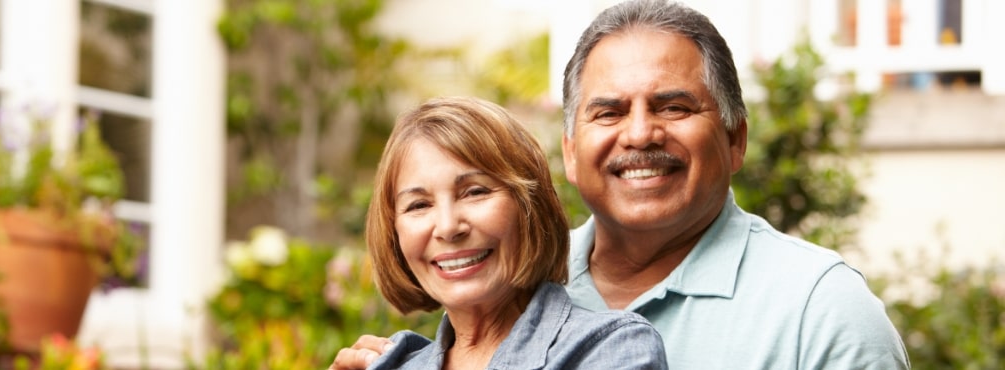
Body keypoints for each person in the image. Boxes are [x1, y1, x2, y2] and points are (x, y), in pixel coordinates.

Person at [332, 0, 910, 369]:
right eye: (608, 112)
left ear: (735, 140)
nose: (639, 134)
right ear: (569, 152)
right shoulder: (510, 282)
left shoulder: (821, 307)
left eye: (674, 106)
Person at [361, 96, 667, 369]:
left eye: (475, 192)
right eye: (418, 205)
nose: (448, 227)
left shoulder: (610, 349)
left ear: (529, 207)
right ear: (394, 232)